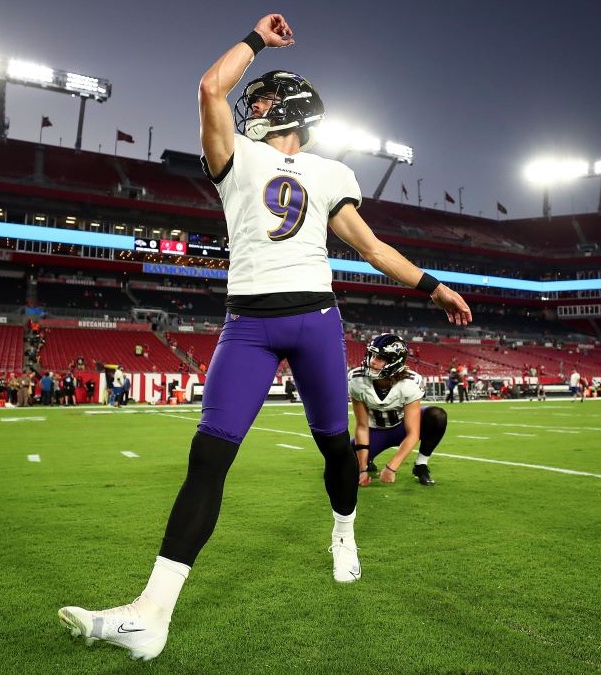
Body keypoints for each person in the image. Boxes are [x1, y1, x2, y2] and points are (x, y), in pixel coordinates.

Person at [58, 13, 471, 662]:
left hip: (314, 320)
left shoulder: (331, 172)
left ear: (296, 109)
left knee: (338, 449)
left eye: (267, 99)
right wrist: (255, 40)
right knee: (208, 458)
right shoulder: (235, 155)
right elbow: (208, 88)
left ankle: (343, 528)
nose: (255, 106)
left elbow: (369, 245)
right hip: (246, 324)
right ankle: (151, 613)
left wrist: (432, 286)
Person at [349, 334, 447, 488]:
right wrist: (362, 468)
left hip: (401, 428)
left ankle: (420, 465)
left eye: (380, 358)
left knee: (437, 416)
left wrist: (391, 467)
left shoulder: (409, 383)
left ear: (395, 361)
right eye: (372, 355)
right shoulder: (357, 380)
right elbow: (362, 426)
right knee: (341, 466)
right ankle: (368, 460)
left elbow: (413, 433)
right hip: (375, 431)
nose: (373, 361)